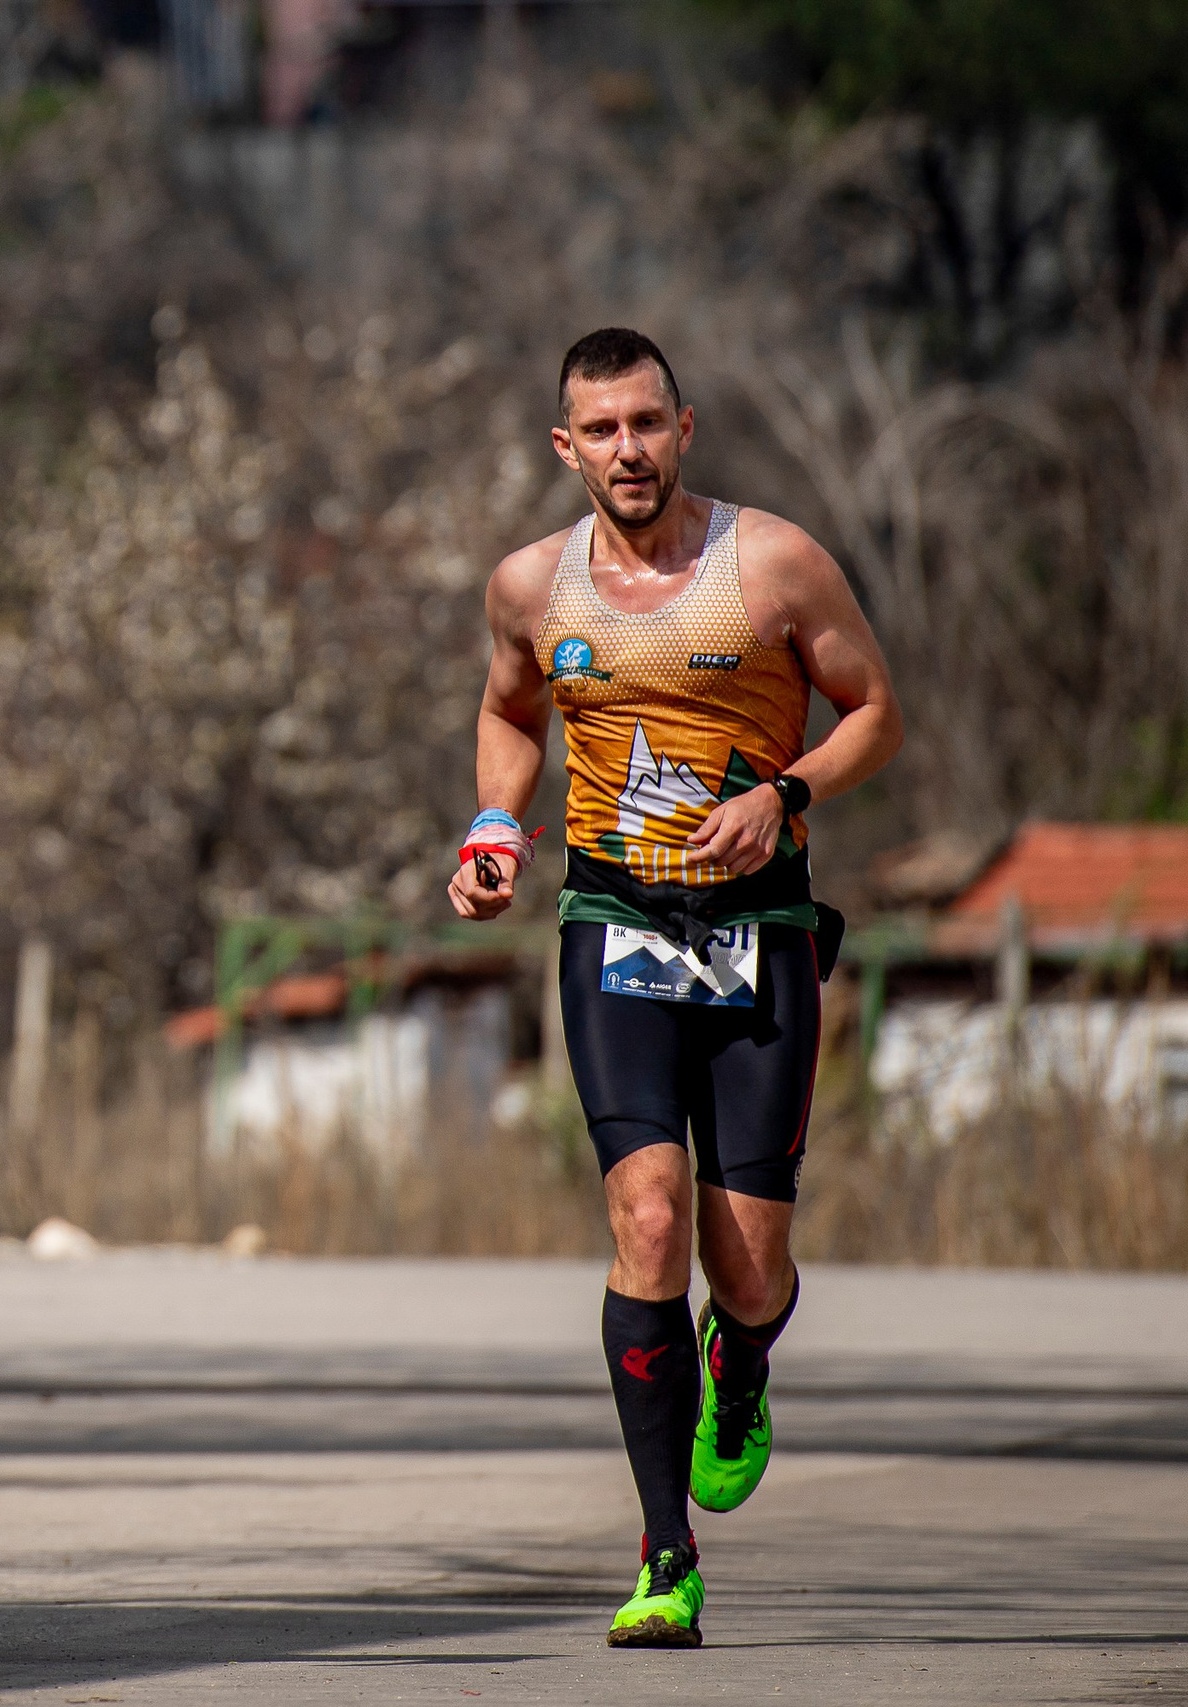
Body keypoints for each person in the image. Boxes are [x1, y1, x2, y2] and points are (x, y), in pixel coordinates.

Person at [448, 328, 901, 1648]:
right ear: (566, 447)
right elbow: (508, 713)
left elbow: (875, 711)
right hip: (616, 927)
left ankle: (740, 1362)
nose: (628, 449)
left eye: (647, 423)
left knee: (746, 1271)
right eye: (602, 430)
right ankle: (664, 1556)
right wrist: (494, 827)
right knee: (647, 1221)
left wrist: (785, 795)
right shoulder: (531, 585)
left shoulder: (773, 563)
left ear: (684, 428)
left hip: (761, 931)